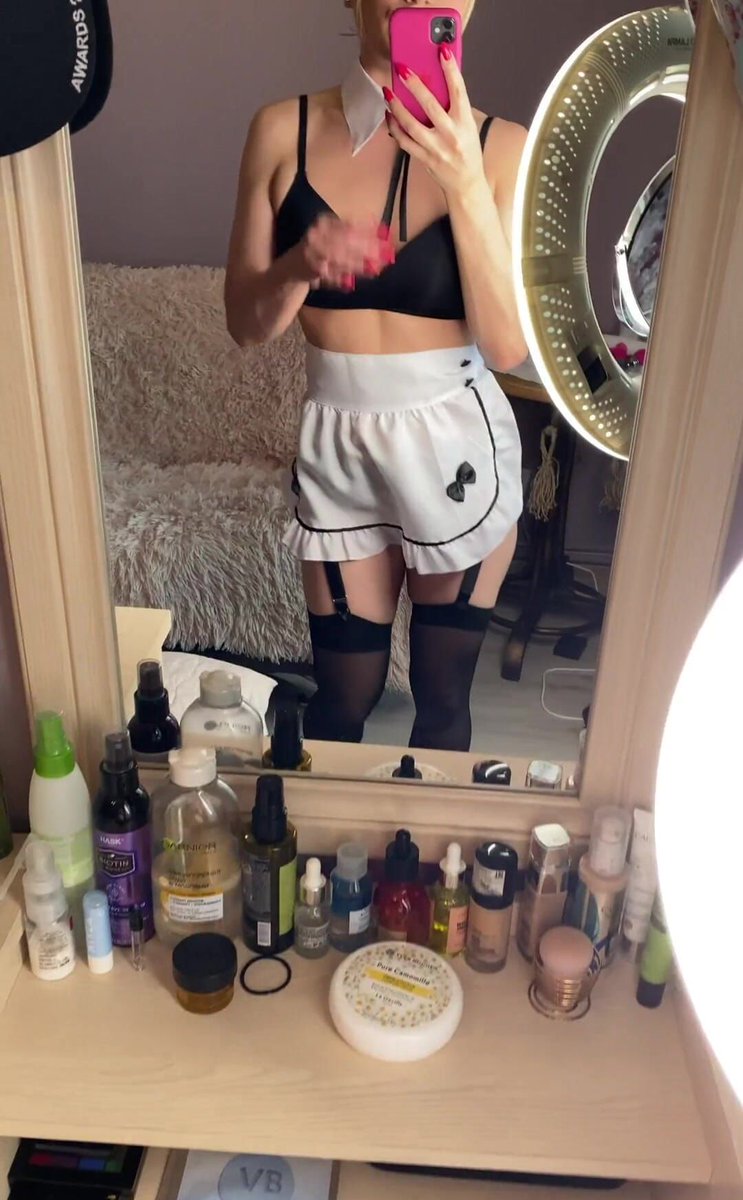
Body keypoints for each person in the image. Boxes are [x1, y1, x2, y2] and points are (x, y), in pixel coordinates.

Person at [225, 0, 528, 752]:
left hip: (455, 441)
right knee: (341, 700)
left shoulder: (502, 148)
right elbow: (246, 324)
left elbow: (506, 346)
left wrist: (463, 181)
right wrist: (301, 263)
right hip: (339, 444)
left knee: (442, 702)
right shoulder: (280, 131)